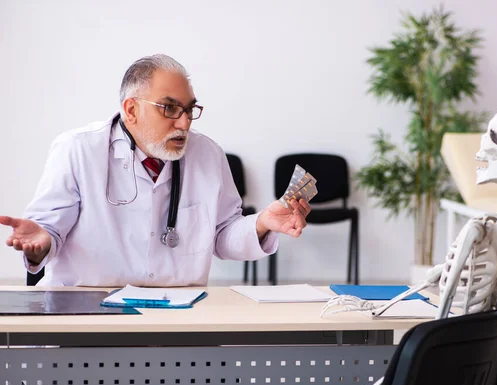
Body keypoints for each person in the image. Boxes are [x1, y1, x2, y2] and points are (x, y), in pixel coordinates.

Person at [0, 54, 311, 287]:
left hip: (176, 315)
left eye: (189, 109)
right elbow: (48, 231)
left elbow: (222, 235)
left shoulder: (208, 155)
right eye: (170, 108)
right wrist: (40, 243)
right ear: (132, 109)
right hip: (90, 315)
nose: (184, 122)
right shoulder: (78, 150)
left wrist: (262, 223)